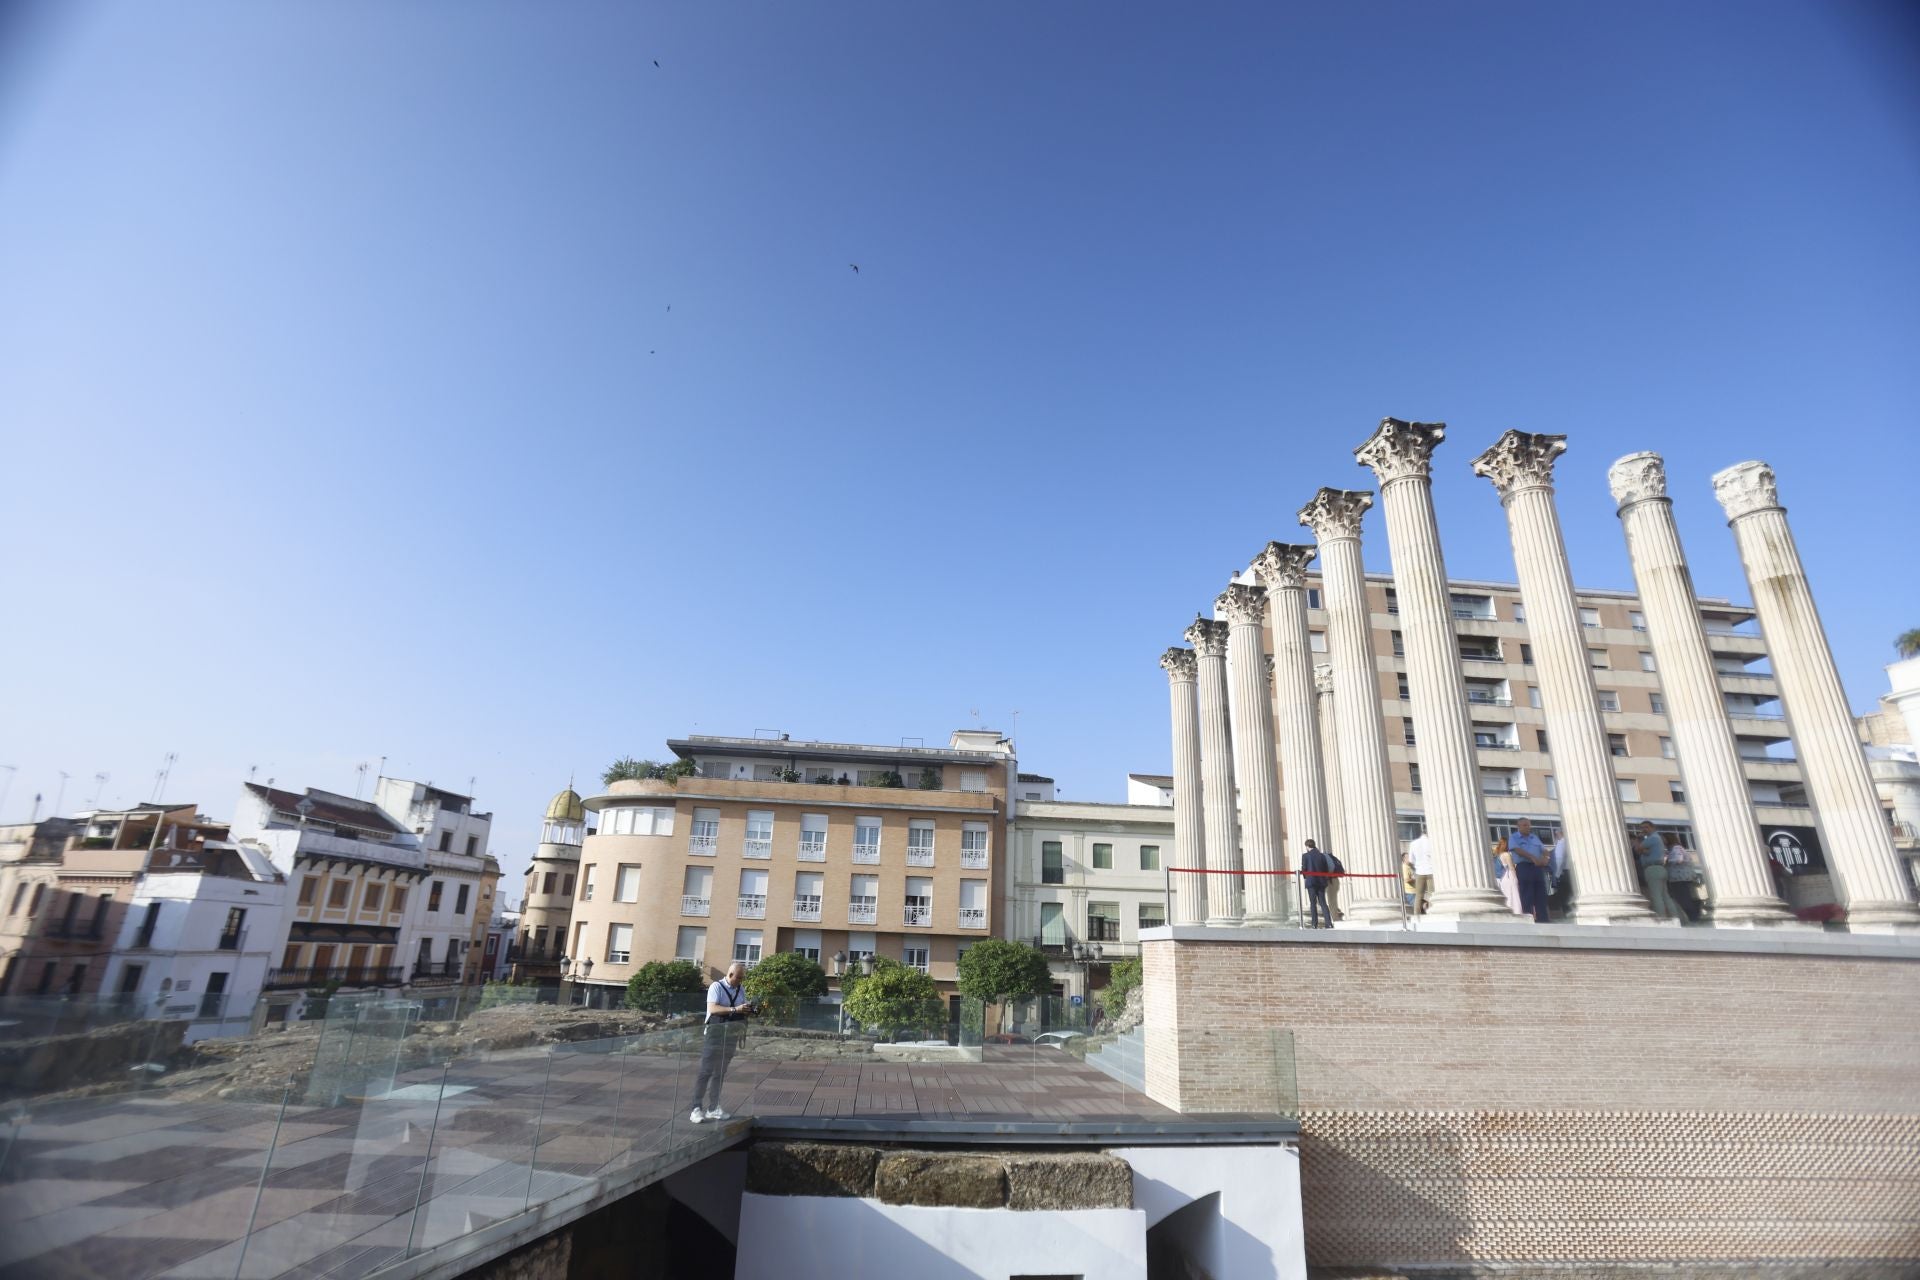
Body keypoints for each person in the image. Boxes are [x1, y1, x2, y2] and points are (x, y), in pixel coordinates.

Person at [690, 961, 753, 1123]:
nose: (740, 981)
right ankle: (696, 1108)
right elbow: (712, 1009)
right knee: (706, 1071)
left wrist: (747, 1009)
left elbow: (741, 1008)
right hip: (714, 1034)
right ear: (730, 975)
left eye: (742, 978)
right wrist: (735, 1009)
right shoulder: (716, 987)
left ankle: (713, 1107)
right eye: (738, 978)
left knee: (720, 1073)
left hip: (730, 1035)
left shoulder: (741, 989)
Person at [1508, 818, 1551, 923]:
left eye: (1528, 825)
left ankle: (1543, 919)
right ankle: (1529, 917)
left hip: (1537, 868)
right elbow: (1517, 850)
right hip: (1524, 867)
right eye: (1525, 825)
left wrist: (1546, 858)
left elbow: (1544, 850)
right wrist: (1532, 857)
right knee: (1527, 893)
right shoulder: (1514, 837)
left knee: (1540, 893)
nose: (1528, 827)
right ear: (1518, 826)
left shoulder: (1534, 837)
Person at [1636, 821, 1674, 921]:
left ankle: (1661, 918)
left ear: (1653, 827)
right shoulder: (1657, 839)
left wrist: (1640, 842)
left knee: (1656, 895)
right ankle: (1675, 917)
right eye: (1642, 828)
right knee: (1665, 896)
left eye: (1646, 827)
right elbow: (1644, 851)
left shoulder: (1652, 838)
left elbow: (1638, 848)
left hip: (1653, 869)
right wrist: (1644, 851)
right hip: (1660, 868)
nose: (1644, 830)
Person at [1663, 832, 1703, 923]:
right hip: (1678, 878)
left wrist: (1667, 860)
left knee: (1683, 898)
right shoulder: (1673, 849)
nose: (1662, 841)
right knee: (1684, 898)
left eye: (1664, 838)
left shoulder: (1676, 848)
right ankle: (1693, 915)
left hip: (1680, 878)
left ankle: (1693, 917)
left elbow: (1679, 860)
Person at [1301, 838, 1335, 929]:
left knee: (1313, 903)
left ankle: (1314, 924)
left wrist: (1306, 877)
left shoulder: (1305, 856)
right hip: (1321, 882)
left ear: (1307, 846)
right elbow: (1325, 869)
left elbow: (1304, 869)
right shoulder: (1322, 856)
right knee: (1323, 902)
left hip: (1311, 882)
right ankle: (1328, 923)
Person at [1405, 831, 1434, 915]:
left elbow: (1411, 860)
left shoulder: (1413, 843)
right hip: (1430, 870)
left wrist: (1417, 865)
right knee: (1432, 894)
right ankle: (1432, 912)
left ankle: (1416, 914)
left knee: (1419, 895)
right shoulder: (1431, 842)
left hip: (1420, 871)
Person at [1494, 836, 1524, 915]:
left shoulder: (1499, 855)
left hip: (1503, 878)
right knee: (1514, 895)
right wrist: (1516, 878)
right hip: (1509, 876)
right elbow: (1511, 868)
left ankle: (1509, 911)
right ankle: (1516, 912)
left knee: (1507, 895)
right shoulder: (1507, 854)